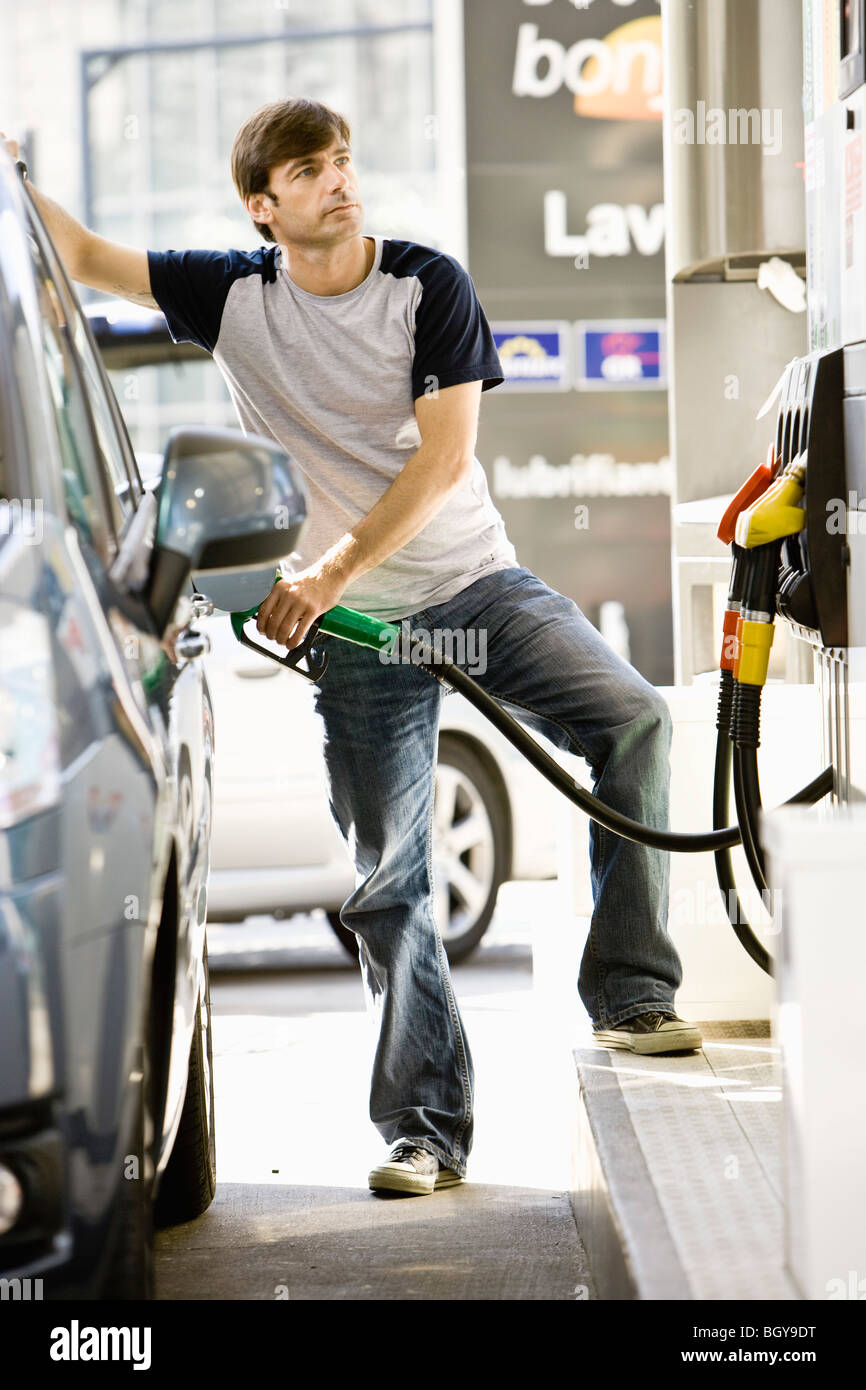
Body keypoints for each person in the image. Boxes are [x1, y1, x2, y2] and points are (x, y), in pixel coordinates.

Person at [2, 99, 701, 1199]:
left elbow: (441, 460)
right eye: (308, 170)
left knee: (635, 722)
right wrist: (10, 176)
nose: (338, 181)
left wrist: (323, 572)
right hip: (362, 638)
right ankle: (425, 1129)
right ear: (262, 204)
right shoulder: (230, 294)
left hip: (472, 585)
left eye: (342, 162)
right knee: (390, 880)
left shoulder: (427, 283)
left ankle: (628, 992)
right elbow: (81, 256)